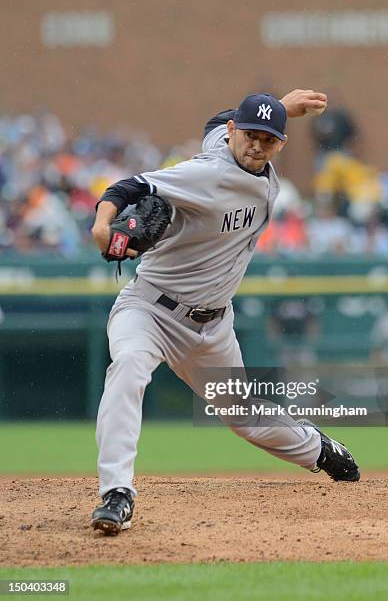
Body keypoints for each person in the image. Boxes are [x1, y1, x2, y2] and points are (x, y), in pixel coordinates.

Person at [90, 89, 360, 536]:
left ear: (281, 145)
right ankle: (116, 493)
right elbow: (128, 187)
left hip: (213, 327)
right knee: (130, 366)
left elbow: (216, 118)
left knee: (244, 416)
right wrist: (103, 224)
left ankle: (320, 450)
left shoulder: (236, 147)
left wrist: (281, 107)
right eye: (250, 134)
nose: (257, 145)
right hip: (150, 310)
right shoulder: (204, 172)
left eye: (269, 139)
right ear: (234, 133)